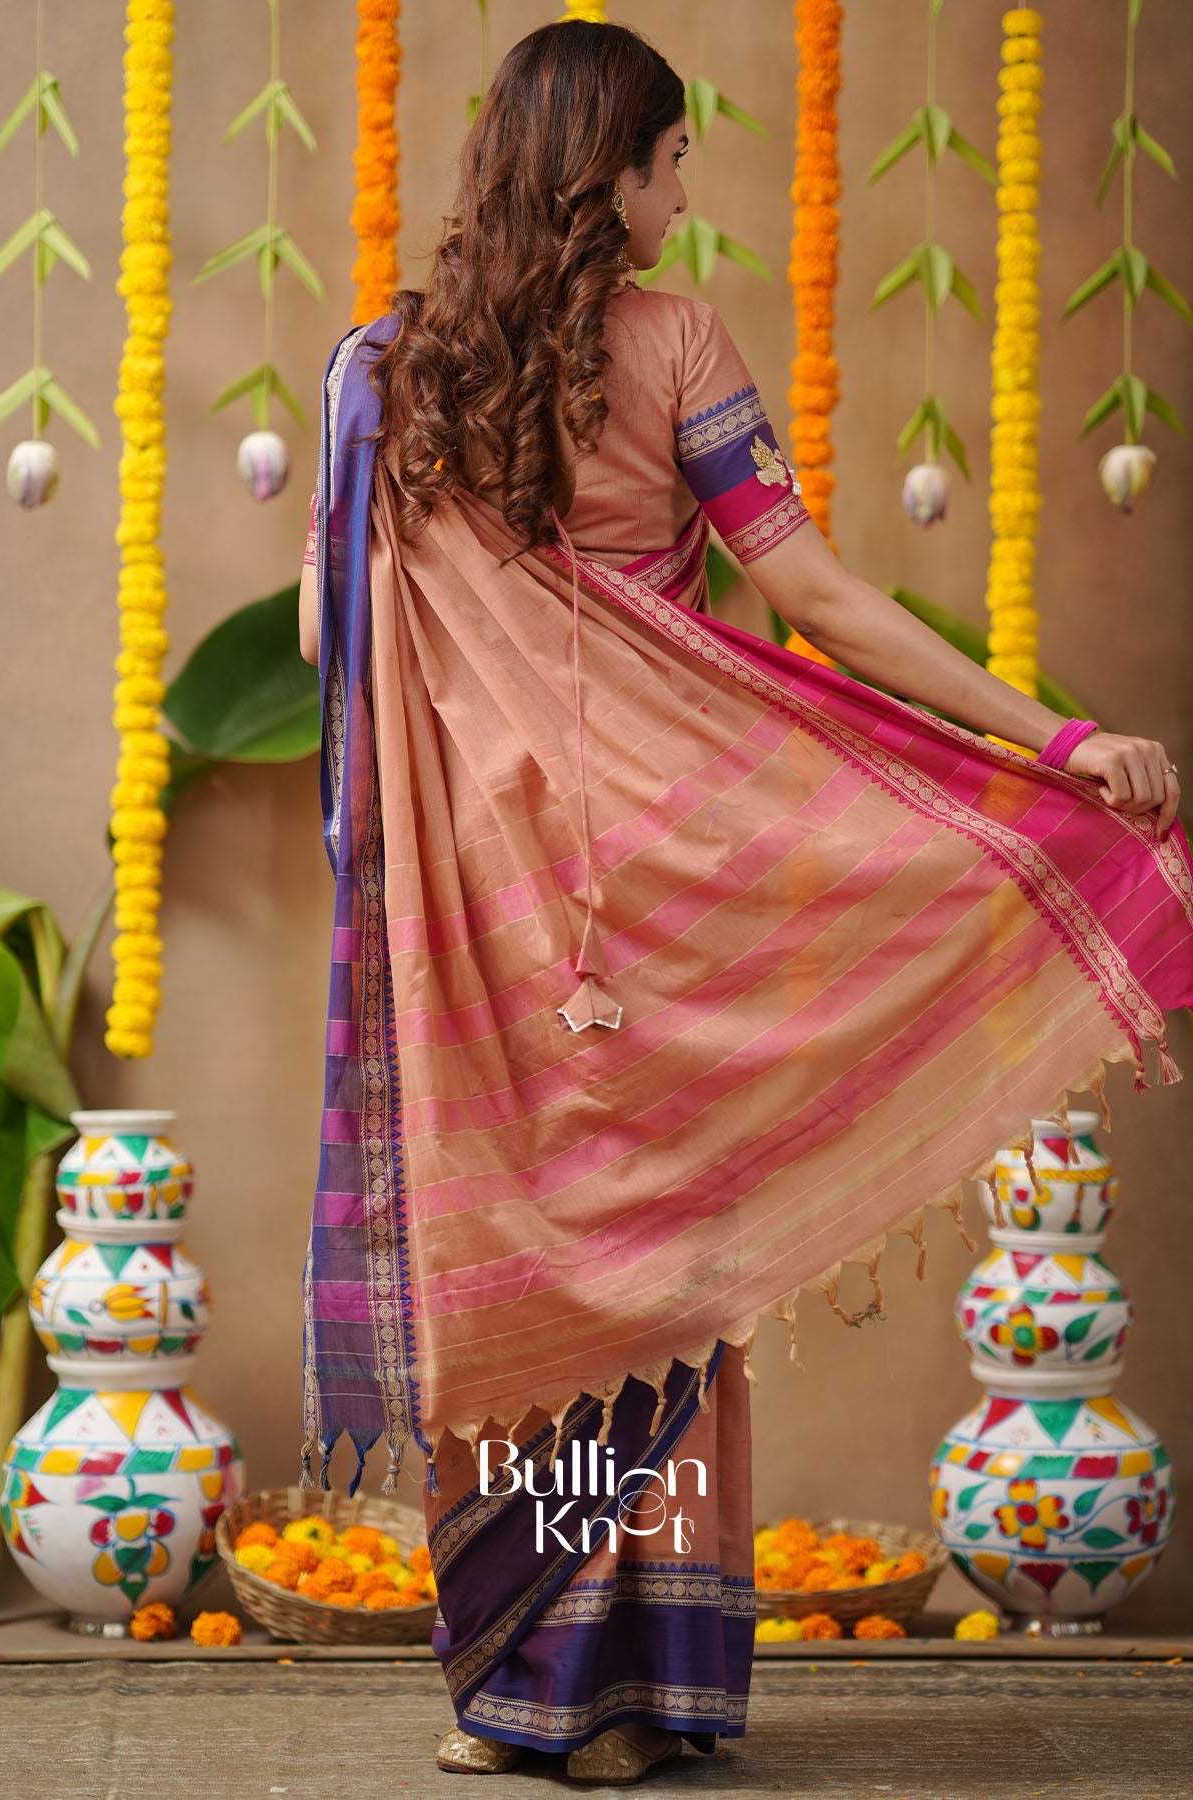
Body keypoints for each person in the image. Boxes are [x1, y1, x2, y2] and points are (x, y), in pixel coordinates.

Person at [297, 19, 1192, 1786]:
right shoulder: (679, 342)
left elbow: (339, 646)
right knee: (664, 1273)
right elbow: (819, 601)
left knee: (529, 1270)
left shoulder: (380, 374)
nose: (683, 196)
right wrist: (1054, 741)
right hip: (668, 892)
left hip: (479, 912)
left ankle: (529, 1690)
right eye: (673, 161)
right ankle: (636, 1694)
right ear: (611, 175)